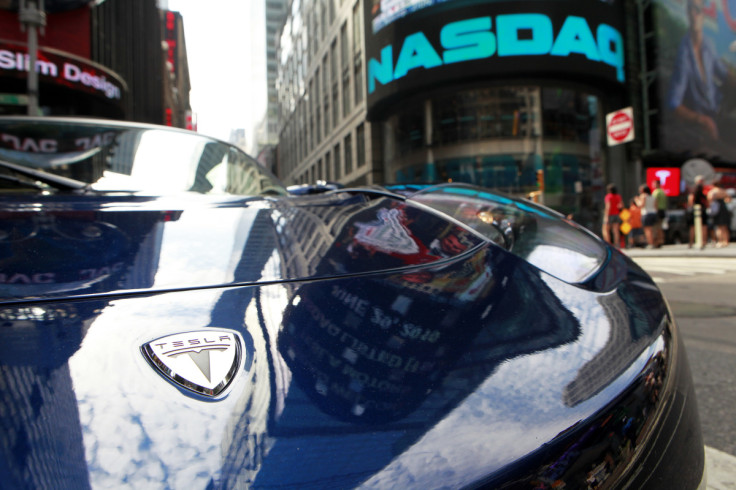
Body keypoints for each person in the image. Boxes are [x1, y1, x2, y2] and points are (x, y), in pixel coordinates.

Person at [667, 0, 736, 153]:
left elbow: (724, 74)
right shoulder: (684, 54)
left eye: (697, 10)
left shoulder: (708, 44)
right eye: (690, 9)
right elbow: (674, 103)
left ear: (703, 14)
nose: (693, 14)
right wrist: (701, 120)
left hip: (720, 112)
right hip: (703, 123)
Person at [707, 177, 732, 247]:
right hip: (723, 208)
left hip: (717, 209)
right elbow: (729, 199)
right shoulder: (723, 191)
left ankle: (720, 241)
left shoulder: (713, 192)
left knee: (719, 227)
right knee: (725, 226)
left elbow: (709, 199)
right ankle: (726, 241)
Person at [687, 175, 709, 248]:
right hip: (701, 209)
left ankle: (691, 242)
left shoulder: (694, 190)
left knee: (693, 227)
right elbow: (707, 201)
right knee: (703, 226)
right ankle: (703, 242)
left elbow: (690, 200)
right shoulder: (703, 190)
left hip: (695, 209)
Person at [602, 183, 623, 248]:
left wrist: (606, 216)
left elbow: (608, 207)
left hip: (610, 214)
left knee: (605, 230)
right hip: (616, 214)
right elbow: (621, 205)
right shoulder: (618, 196)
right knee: (616, 231)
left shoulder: (608, 196)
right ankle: (617, 244)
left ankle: (608, 244)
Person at [651, 180, 667, 247]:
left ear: (657, 184)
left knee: (656, 227)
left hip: (657, 211)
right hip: (663, 210)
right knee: (660, 226)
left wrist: (655, 211)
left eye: (654, 183)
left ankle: (657, 242)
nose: (653, 185)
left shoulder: (656, 192)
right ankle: (661, 240)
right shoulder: (663, 191)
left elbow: (655, 202)